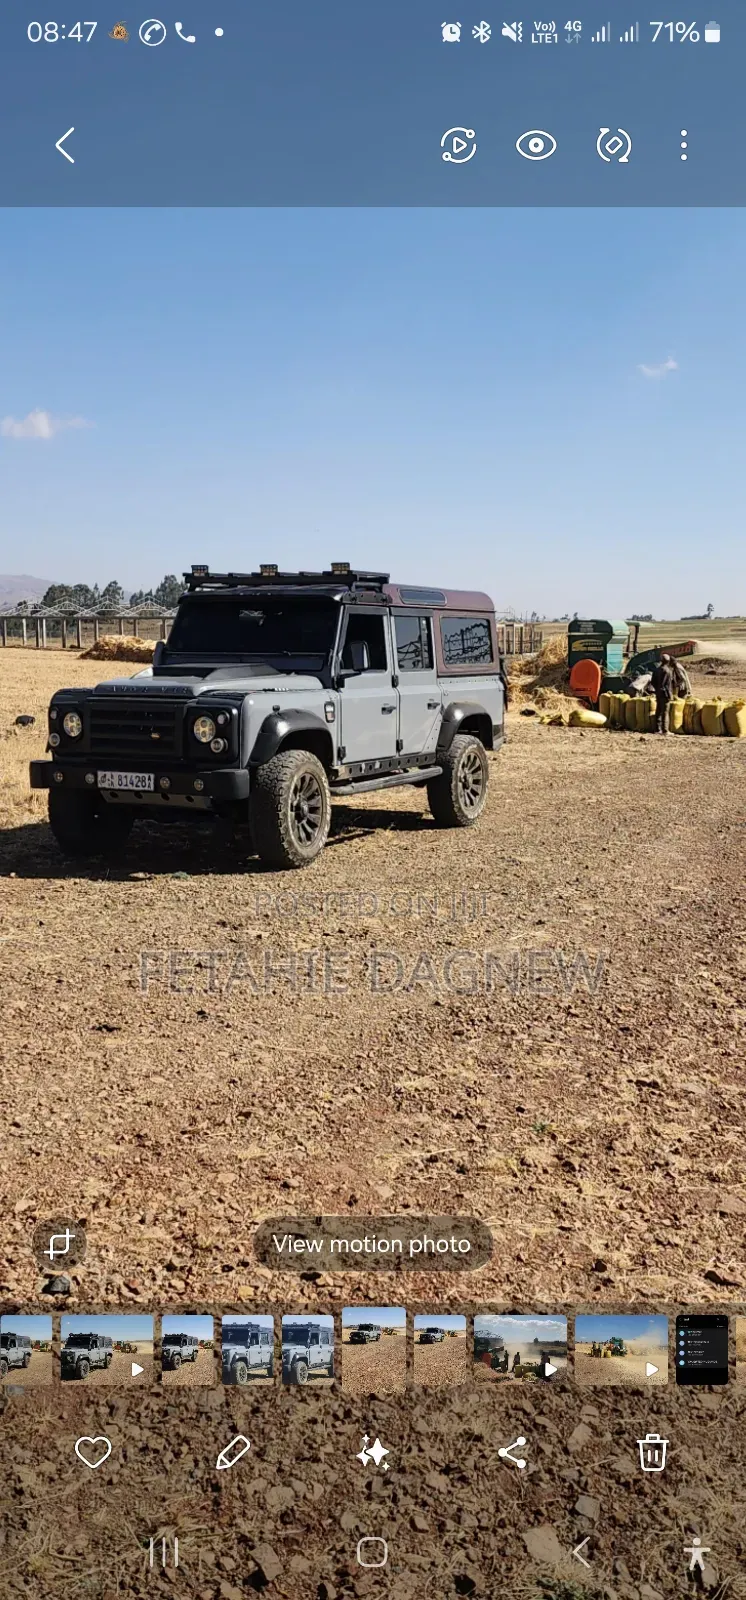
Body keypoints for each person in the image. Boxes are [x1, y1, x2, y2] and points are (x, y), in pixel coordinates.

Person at [650, 653, 677, 734]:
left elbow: (653, 682)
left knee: (658, 711)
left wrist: (657, 689)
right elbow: (668, 683)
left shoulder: (656, 670)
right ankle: (665, 730)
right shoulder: (668, 671)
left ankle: (657, 729)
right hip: (665, 693)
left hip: (658, 693)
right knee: (665, 711)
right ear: (668, 661)